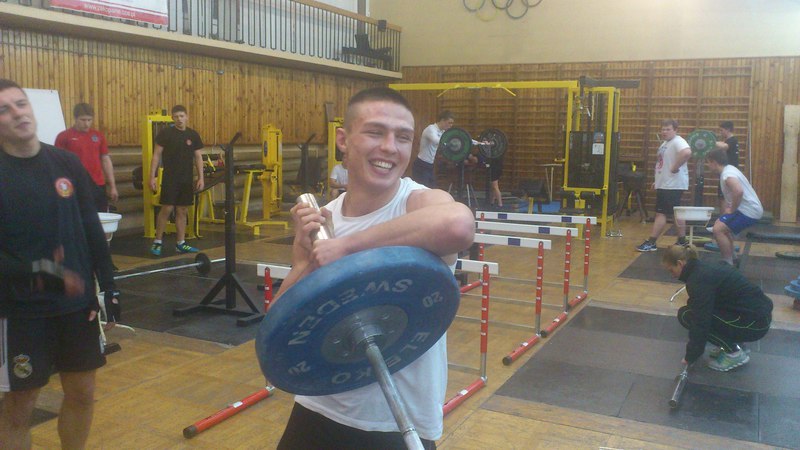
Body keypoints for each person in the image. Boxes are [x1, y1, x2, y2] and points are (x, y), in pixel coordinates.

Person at [274, 87, 474, 449]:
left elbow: (458, 225)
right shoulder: (324, 220)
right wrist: (305, 261)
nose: (389, 147)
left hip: (395, 424)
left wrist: (346, 246)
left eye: (403, 137)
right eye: (375, 132)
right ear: (343, 140)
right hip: (318, 405)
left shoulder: (418, 204)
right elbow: (277, 322)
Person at [0, 78, 120, 449]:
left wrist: (109, 285)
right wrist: (38, 271)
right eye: (4, 109)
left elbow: (90, 227)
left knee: (83, 393)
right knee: (20, 406)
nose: (17, 113)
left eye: (21, 104)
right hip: (20, 311)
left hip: (76, 306)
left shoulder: (65, 162)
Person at [662, 244, 772, 372]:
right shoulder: (704, 268)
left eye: (671, 270)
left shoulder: (698, 279)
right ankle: (735, 344)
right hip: (757, 318)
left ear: (680, 264)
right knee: (694, 309)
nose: (672, 275)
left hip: (754, 325)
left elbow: (700, 321)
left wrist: (691, 355)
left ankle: (734, 353)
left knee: (686, 315)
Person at [148, 105, 205, 256]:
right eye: (176, 117)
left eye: (182, 116)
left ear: (187, 117)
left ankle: (180, 243)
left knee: (182, 210)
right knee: (167, 208)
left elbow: (198, 157)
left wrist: (201, 177)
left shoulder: (193, 135)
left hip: (186, 178)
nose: (179, 119)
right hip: (170, 178)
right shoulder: (165, 134)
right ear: (172, 118)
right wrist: (152, 176)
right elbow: (156, 155)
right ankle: (157, 241)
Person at [636, 119, 692, 252]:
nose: (664, 132)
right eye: (663, 129)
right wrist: (658, 181)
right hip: (666, 184)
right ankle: (682, 241)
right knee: (676, 213)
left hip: (672, 185)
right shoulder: (666, 143)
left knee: (661, 213)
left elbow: (687, 152)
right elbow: (663, 164)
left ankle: (652, 242)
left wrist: (675, 167)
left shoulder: (678, 141)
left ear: (675, 130)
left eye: (668, 129)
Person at [55, 103, 118, 212]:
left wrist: (113, 186)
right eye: (83, 120)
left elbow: (105, 160)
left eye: (89, 120)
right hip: (74, 185)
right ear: (75, 118)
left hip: (97, 184)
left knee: (100, 216)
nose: (87, 124)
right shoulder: (63, 137)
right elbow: (57, 164)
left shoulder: (98, 136)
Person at [707, 148, 763, 265]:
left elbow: (738, 191)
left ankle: (728, 263)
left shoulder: (727, 174)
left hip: (749, 211)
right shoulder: (729, 169)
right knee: (720, 225)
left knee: (718, 230)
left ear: (714, 162)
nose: (708, 166)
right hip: (748, 209)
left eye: (708, 162)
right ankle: (733, 258)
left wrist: (732, 209)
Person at [411, 110, 454, 188]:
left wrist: (473, 141)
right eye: (449, 123)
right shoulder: (431, 129)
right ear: (442, 120)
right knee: (423, 191)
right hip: (421, 165)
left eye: (452, 123)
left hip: (430, 165)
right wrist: (451, 143)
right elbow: (437, 141)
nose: (451, 125)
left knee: (432, 189)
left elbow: (453, 138)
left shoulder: (442, 131)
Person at [714, 121, 739, 211]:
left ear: (728, 129)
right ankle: (723, 217)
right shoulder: (728, 141)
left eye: (721, 130)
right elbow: (722, 144)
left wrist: (710, 141)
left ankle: (724, 217)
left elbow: (724, 146)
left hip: (729, 174)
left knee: (724, 197)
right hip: (726, 172)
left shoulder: (733, 140)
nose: (720, 132)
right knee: (722, 196)